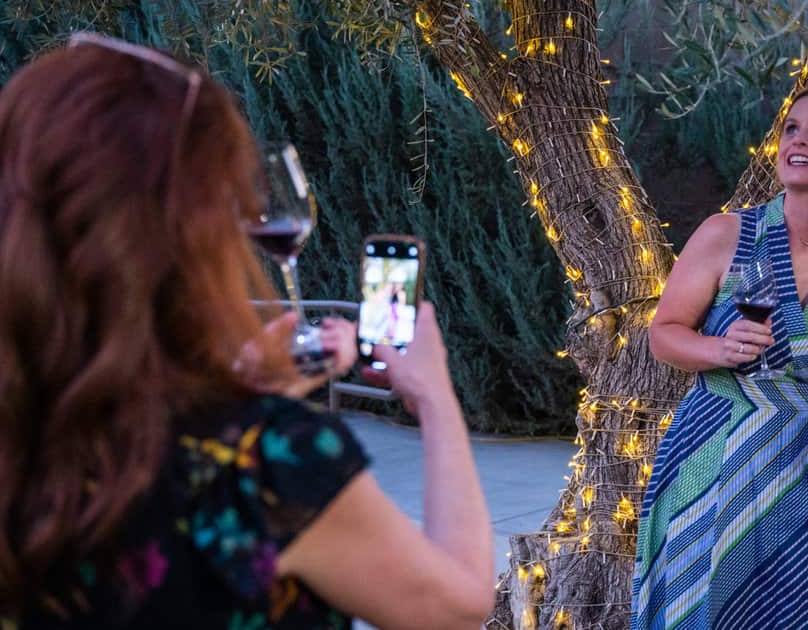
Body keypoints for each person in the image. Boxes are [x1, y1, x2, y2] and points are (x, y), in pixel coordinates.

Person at [0, 35, 495, 630]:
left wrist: (234, 394)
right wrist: (435, 396)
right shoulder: (263, 466)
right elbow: (460, 608)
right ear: (193, 235)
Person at [634, 85, 808, 629]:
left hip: (807, 465)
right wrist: (717, 348)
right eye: (791, 128)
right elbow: (663, 334)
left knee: (800, 608)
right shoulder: (728, 233)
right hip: (713, 456)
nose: (798, 140)